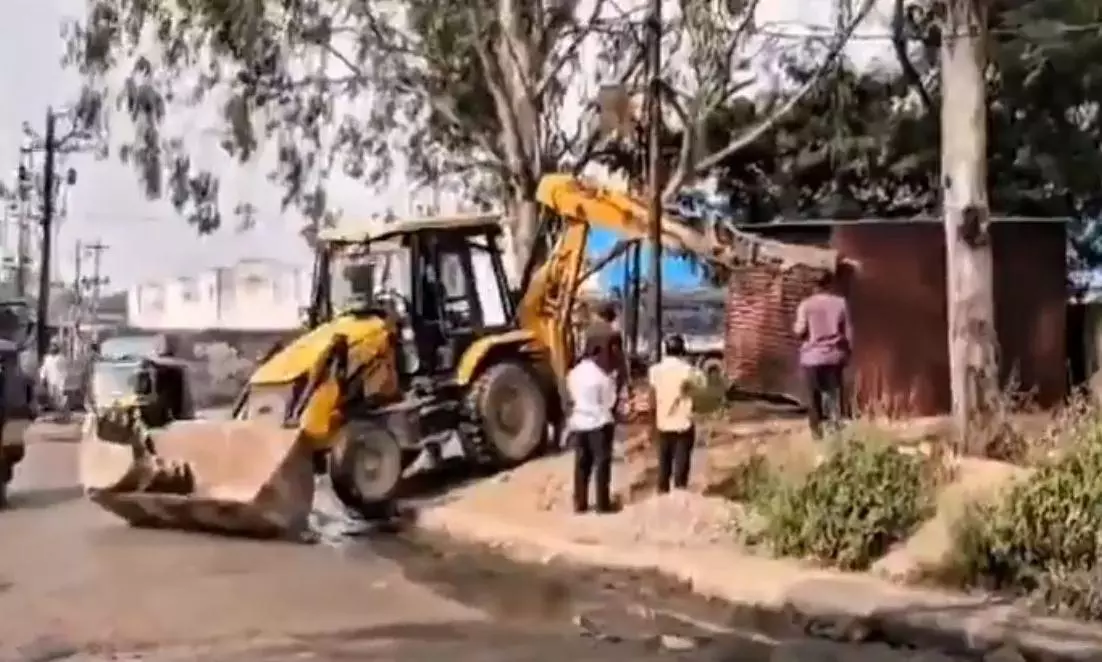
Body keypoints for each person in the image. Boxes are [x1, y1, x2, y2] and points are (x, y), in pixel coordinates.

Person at [793, 271, 853, 438]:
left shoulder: (806, 305)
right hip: (835, 356)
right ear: (830, 284)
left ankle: (817, 434)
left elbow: (799, 330)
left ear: (814, 286)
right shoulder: (841, 303)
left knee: (814, 398)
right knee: (834, 396)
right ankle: (836, 431)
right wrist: (848, 353)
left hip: (812, 359)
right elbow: (849, 332)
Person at [647, 334, 705, 493]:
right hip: (683, 424)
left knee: (663, 466)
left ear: (666, 351)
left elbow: (651, 399)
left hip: (662, 423)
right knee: (681, 466)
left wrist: (651, 424)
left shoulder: (655, 371)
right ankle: (679, 499)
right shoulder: (689, 371)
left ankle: (662, 496)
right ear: (682, 351)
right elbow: (703, 391)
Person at [567, 336, 618, 514]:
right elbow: (609, 401)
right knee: (601, 465)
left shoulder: (573, 374)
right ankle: (603, 505)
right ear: (597, 354)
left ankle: (580, 504)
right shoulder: (601, 376)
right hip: (598, 424)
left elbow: (572, 396)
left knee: (581, 465)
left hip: (579, 423)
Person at [38, 342, 69, 419]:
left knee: (59, 397)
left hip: (59, 380)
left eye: (54, 348)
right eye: (51, 348)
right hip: (50, 380)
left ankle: (64, 413)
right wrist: (42, 377)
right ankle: (59, 413)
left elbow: (64, 370)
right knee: (52, 397)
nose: (52, 349)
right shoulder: (47, 358)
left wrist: (64, 379)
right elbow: (44, 368)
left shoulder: (61, 358)